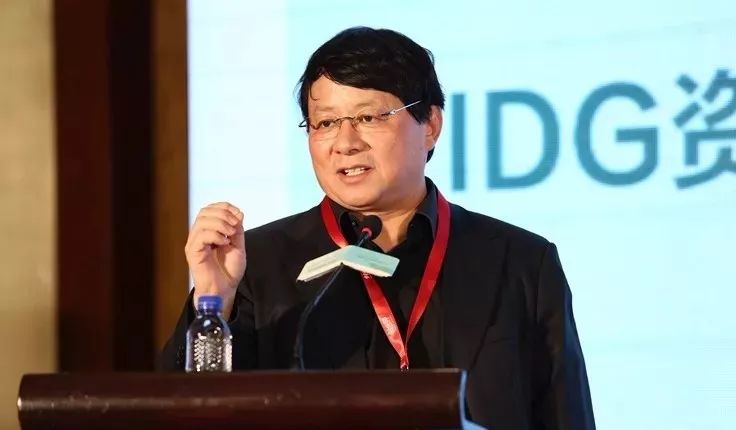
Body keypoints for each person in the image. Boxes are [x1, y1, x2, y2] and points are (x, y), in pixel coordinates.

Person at [160, 26, 596, 429]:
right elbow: (188, 415)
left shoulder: (521, 263)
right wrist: (214, 305)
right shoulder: (258, 265)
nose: (346, 142)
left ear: (430, 126)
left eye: (368, 117)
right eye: (325, 123)